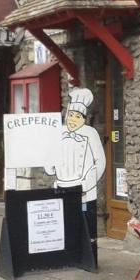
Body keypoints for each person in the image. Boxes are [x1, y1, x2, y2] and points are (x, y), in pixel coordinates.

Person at [51, 88, 105, 262]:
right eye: (71, 115)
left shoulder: (91, 134)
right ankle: (68, 255)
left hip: (84, 188)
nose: (73, 120)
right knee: (66, 221)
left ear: (83, 118)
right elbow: (50, 154)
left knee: (86, 221)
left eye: (77, 116)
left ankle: (88, 257)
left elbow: (100, 161)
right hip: (61, 184)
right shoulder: (58, 132)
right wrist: (50, 167)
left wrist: (89, 182)